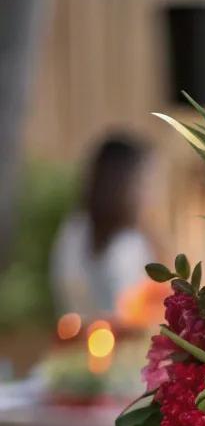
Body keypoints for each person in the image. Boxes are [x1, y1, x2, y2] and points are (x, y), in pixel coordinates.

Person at [50, 135, 154, 317]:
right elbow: (133, 311)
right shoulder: (127, 243)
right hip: (120, 338)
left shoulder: (75, 229)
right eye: (144, 183)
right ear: (125, 184)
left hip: (82, 337)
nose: (149, 194)